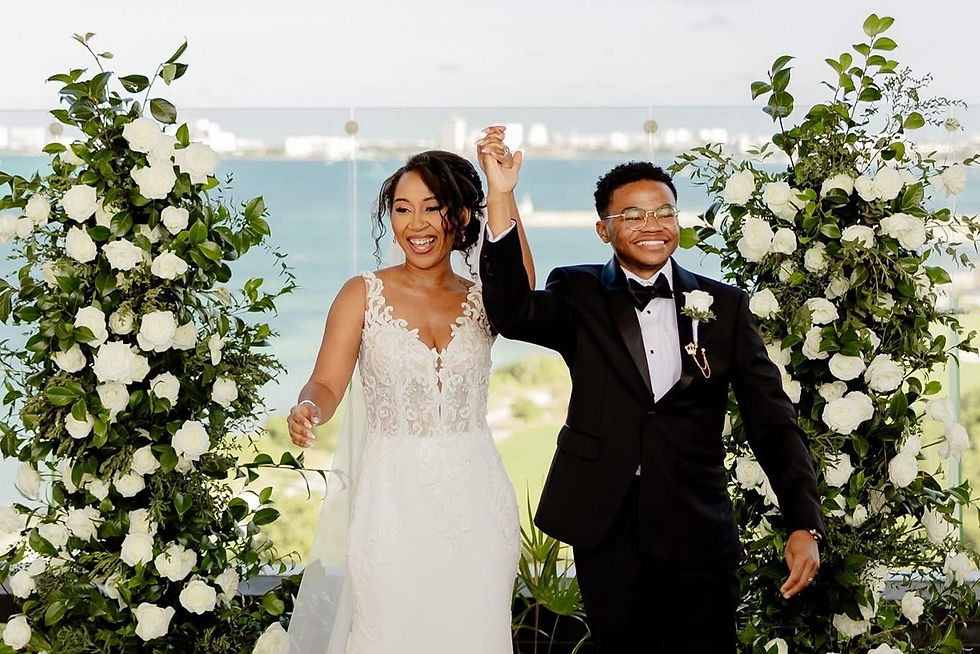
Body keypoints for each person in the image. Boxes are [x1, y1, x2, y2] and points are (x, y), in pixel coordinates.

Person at [478, 158, 824, 653]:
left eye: (664, 212)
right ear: (604, 229)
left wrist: (803, 521)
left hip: (698, 528)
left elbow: (772, 422)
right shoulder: (577, 291)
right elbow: (511, 313)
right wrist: (500, 194)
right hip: (606, 524)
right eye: (633, 216)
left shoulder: (724, 306)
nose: (652, 226)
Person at [284, 140, 533, 654]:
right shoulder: (362, 293)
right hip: (391, 505)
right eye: (402, 209)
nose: (416, 224)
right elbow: (327, 383)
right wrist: (309, 408)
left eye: (433, 209)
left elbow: (524, 293)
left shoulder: (485, 298)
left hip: (477, 503)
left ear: (461, 217)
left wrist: (502, 192)